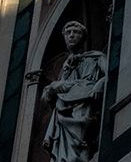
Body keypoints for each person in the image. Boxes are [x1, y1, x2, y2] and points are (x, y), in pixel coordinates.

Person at [37, 20, 106, 162]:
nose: (72, 36)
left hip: (85, 105)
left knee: (82, 139)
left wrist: (100, 83)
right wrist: (53, 88)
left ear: (83, 37)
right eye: (68, 33)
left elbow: (111, 73)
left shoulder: (96, 57)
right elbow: (45, 100)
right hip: (64, 112)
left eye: (76, 32)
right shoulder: (65, 68)